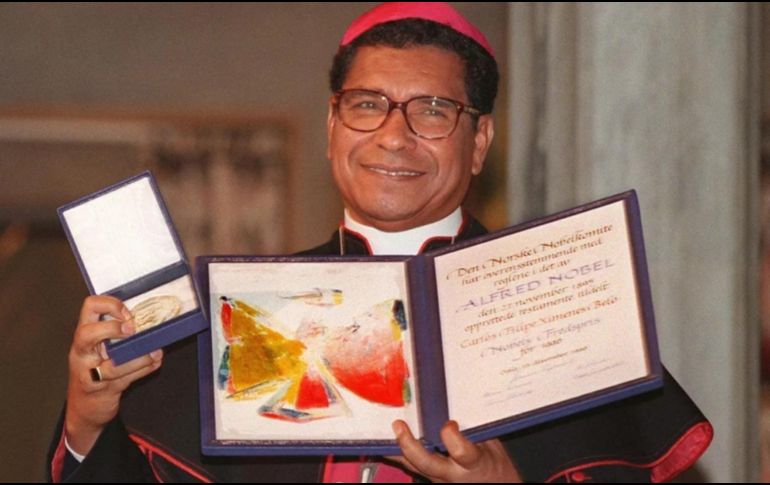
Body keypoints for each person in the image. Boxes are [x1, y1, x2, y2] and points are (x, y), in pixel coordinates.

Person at [48, 3, 712, 482]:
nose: (394, 136)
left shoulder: (566, 313)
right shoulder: (239, 320)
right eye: (368, 104)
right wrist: (87, 418)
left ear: (478, 142)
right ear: (334, 125)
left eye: (432, 110)